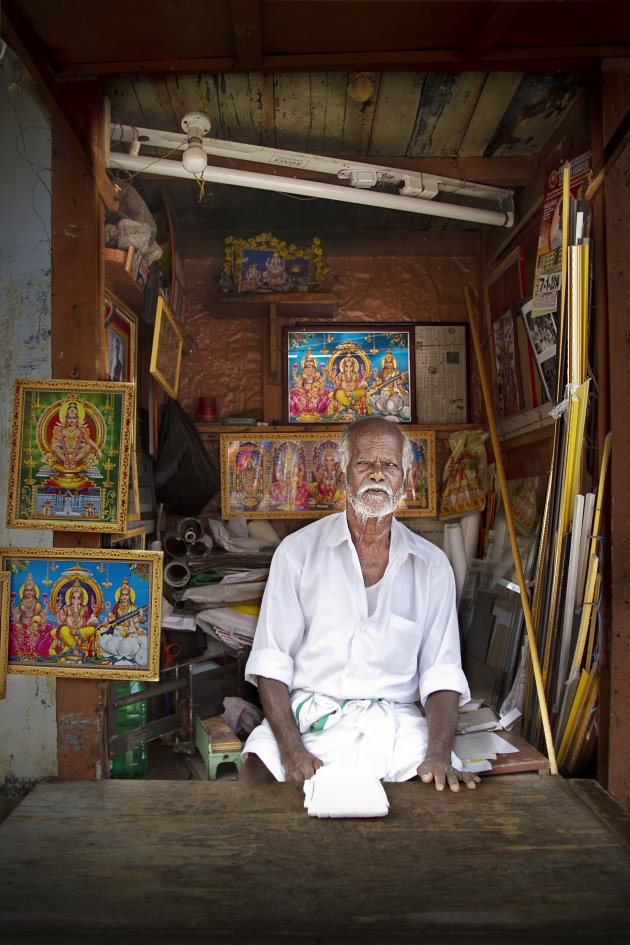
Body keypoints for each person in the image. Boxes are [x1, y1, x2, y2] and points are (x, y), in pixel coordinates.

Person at [240, 416, 479, 793]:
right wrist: (291, 750)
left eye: (390, 465)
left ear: (407, 478)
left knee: (440, 789)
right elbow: (272, 663)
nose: (377, 475)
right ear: (342, 475)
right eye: (365, 463)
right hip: (312, 717)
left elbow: (442, 674)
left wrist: (438, 753)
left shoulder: (432, 566)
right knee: (257, 774)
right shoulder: (297, 554)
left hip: (395, 725)